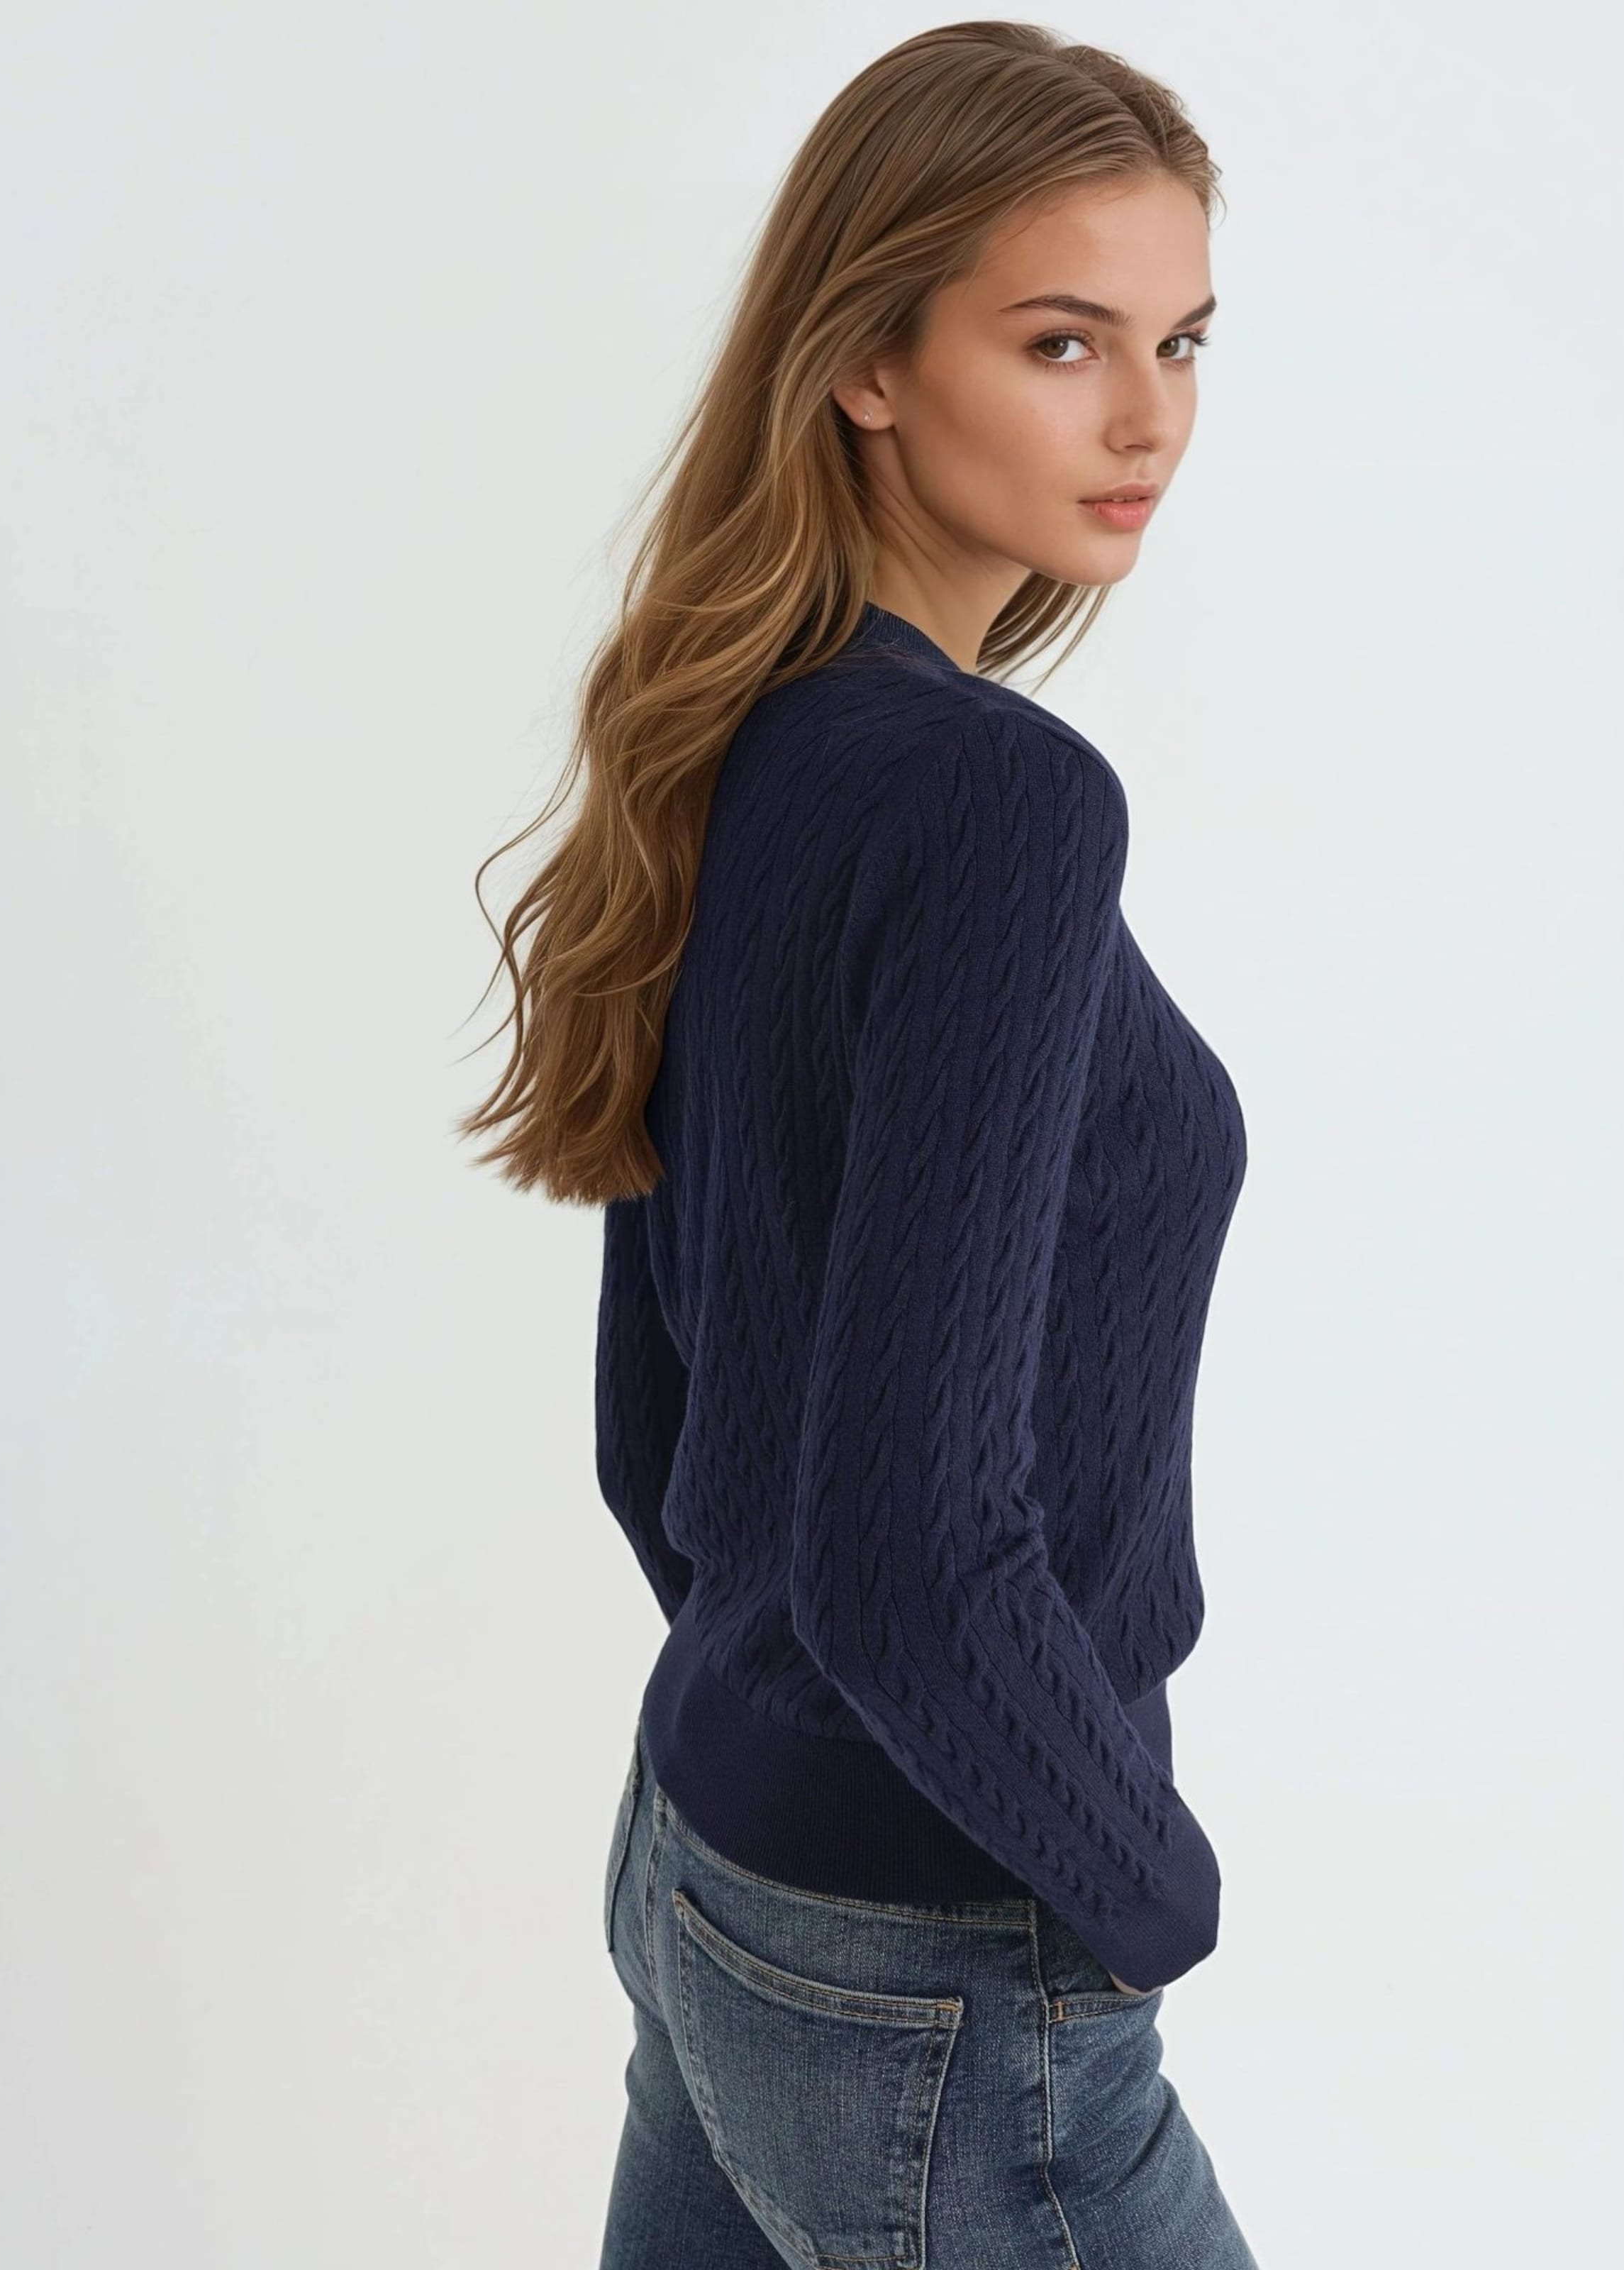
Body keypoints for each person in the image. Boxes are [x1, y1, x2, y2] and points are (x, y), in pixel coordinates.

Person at [459, 23, 1260, 2266]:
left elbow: (657, 1414)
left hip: (716, 1859)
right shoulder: (1001, 804)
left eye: (1183, 340)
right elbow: (908, 1545)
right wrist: (1141, 1894)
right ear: (865, 363)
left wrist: (783, 1744)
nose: (1147, 418)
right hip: (937, 1952)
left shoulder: (748, 726)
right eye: (1062, 342)